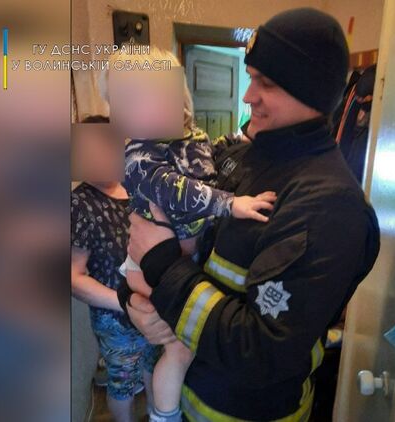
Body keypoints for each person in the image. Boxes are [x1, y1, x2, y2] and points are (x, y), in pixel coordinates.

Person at [120, 8, 381, 421]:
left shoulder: (329, 204)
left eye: (267, 83)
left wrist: (161, 265)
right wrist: (134, 302)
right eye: (251, 77)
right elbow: (166, 241)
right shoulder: (236, 157)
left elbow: (260, 351)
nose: (247, 96)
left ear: (311, 91)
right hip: (185, 397)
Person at [113, 48, 278, 422]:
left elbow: (210, 155)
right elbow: (172, 188)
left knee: (172, 346)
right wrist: (229, 204)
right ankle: (164, 414)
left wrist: (240, 136)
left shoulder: (188, 135)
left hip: (181, 259)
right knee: (177, 349)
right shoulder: (139, 152)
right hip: (147, 265)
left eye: (169, 94)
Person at [71, 116, 160, 422]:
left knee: (153, 365)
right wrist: (123, 303)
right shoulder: (79, 203)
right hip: (115, 319)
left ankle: (156, 415)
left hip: (153, 304)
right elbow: (73, 277)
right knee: (122, 381)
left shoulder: (137, 188)